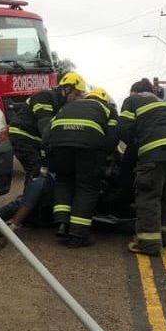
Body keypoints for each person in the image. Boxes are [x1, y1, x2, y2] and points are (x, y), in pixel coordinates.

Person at [119, 92, 166, 255]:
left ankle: (148, 244)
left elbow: (123, 127)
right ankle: (165, 236)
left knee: (149, 194)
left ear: (134, 92)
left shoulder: (131, 100)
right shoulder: (165, 105)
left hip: (155, 149)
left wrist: (135, 146)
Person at [47, 86, 119, 247]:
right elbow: (113, 138)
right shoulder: (108, 109)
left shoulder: (68, 106)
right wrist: (104, 154)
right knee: (86, 187)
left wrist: (49, 151)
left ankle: (62, 223)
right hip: (89, 147)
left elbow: (47, 134)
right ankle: (78, 235)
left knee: (64, 181)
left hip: (59, 145)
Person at [7, 71, 86, 181]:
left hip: (36, 139)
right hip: (22, 136)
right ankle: (29, 198)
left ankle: (35, 195)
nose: (77, 99)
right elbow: (46, 128)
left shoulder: (62, 104)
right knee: (37, 171)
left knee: (47, 171)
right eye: (76, 94)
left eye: (80, 95)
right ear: (67, 89)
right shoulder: (45, 97)